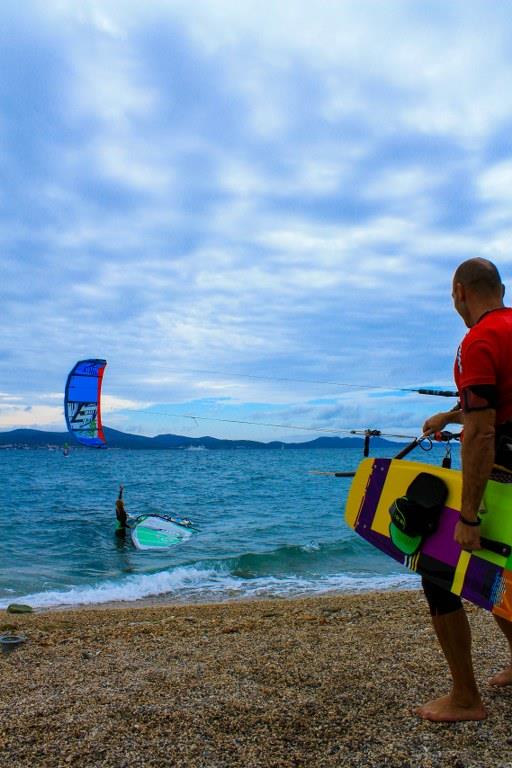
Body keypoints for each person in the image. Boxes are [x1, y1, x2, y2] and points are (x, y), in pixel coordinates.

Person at [420, 257, 512, 722]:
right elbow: (496, 402)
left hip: (502, 480)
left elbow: (482, 431)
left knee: (436, 569)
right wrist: (450, 415)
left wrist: (469, 516)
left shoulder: (477, 340)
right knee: (504, 569)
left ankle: (464, 698)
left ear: (459, 291)